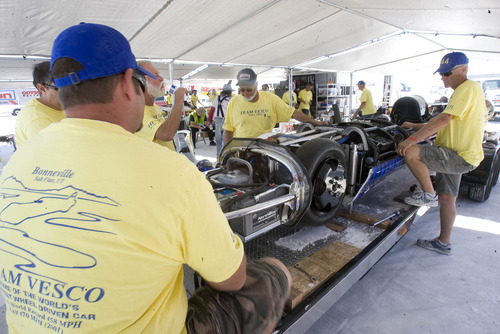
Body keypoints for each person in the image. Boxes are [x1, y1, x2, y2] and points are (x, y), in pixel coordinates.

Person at [0, 22, 291, 334]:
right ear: (128, 82)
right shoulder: (172, 172)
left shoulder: (18, 162)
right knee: (272, 274)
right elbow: (231, 279)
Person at [397, 52, 487, 255]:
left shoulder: (467, 87)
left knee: (410, 152)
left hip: (457, 155)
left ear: (463, 69)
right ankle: (443, 243)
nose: (443, 77)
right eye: (441, 74)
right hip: (459, 154)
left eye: (447, 73)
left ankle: (428, 195)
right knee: (447, 199)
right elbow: (445, 122)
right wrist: (414, 126)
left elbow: (444, 119)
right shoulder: (469, 90)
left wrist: (412, 138)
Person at [224, 68, 327, 142]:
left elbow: (293, 113)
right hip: (242, 150)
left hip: (266, 148)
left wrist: (315, 122)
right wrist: (227, 153)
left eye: (249, 90)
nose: (245, 93)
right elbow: (228, 130)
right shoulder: (234, 102)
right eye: (242, 90)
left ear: (256, 85)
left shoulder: (270, 99)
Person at [134, 60, 186, 151]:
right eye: (155, 75)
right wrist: (178, 101)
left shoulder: (155, 107)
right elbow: (166, 134)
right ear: (141, 81)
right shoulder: (137, 111)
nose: (161, 78)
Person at [14, 61, 65, 147]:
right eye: (61, 88)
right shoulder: (36, 119)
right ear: (42, 88)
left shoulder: (60, 106)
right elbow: (57, 154)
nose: (70, 91)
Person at [209, 83, 233, 157]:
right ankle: (223, 155)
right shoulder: (231, 99)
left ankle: (218, 155)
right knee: (225, 139)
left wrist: (210, 119)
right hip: (227, 120)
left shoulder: (217, 98)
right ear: (230, 92)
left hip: (218, 119)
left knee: (218, 139)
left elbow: (212, 109)